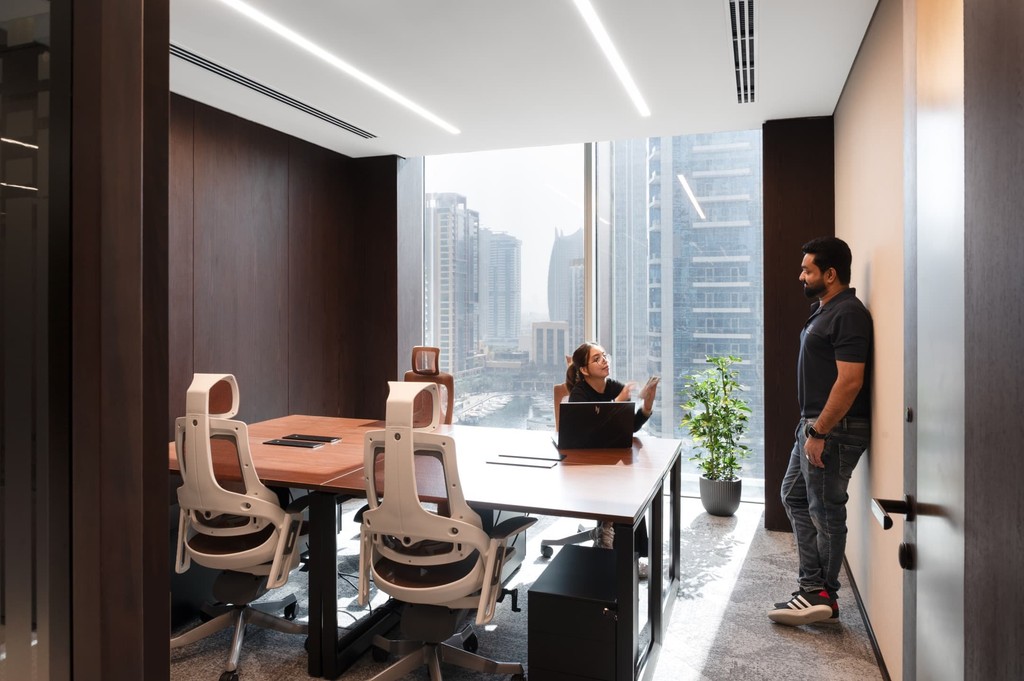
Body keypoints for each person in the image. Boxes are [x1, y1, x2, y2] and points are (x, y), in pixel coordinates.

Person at [768, 236, 872, 626]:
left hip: (833, 429)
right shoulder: (826, 310)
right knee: (793, 495)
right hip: (815, 425)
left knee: (826, 511)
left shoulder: (849, 313)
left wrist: (821, 431)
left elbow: (850, 381)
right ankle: (813, 586)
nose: (801, 275)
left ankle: (823, 594)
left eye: (808, 270)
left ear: (830, 274)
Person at [564, 342, 659, 570]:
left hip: (608, 457)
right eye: (596, 359)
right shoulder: (579, 394)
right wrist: (618, 401)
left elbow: (631, 427)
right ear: (584, 370)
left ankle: (631, 554)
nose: (604, 361)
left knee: (629, 487)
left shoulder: (613, 386)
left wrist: (646, 405)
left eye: (604, 356)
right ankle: (620, 552)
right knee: (622, 487)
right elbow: (590, 428)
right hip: (581, 464)